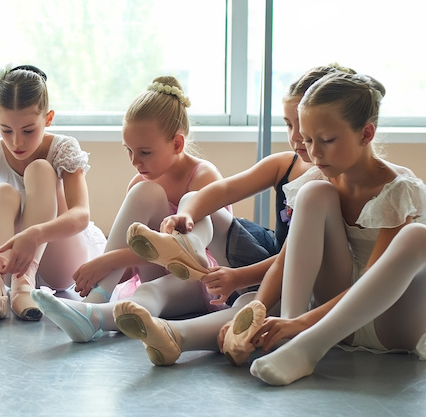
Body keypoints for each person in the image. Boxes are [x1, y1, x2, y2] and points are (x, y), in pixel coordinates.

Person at [110, 64, 347, 364]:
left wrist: (239, 277)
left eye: (303, 125)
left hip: (296, 275)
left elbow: (297, 256)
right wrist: (188, 215)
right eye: (288, 124)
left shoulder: (332, 180)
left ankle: (174, 335)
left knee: (252, 306)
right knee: (199, 200)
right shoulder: (284, 164)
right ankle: (189, 246)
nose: (297, 136)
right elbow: (223, 191)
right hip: (268, 254)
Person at [243, 71, 426, 385]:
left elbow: (369, 282)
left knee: (419, 237)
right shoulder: (318, 180)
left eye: (326, 141)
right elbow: (287, 259)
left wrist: (305, 325)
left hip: (392, 324)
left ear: (366, 134)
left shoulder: (400, 189)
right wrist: (268, 312)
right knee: (314, 193)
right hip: (338, 318)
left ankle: (306, 346)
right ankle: (287, 335)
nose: (314, 152)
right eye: (309, 140)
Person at [31, 76, 227, 342]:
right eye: (129, 151)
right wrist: (105, 270)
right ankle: (98, 298)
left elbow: (188, 256)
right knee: (144, 190)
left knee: (152, 290)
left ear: (177, 144)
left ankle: (95, 313)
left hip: (198, 278)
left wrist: (107, 260)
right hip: (154, 273)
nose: (135, 162)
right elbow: (136, 256)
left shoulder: (204, 177)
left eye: (145, 152)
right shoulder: (141, 182)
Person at [0, 64, 104, 329]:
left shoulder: (62, 148)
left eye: (28, 131)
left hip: (58, 258)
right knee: (3, 190)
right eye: (6, 130)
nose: (16, 143)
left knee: (41, 169)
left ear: (48, 119)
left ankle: (26, 283)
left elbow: (81, 215)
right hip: (8, 263)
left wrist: (35, 233)